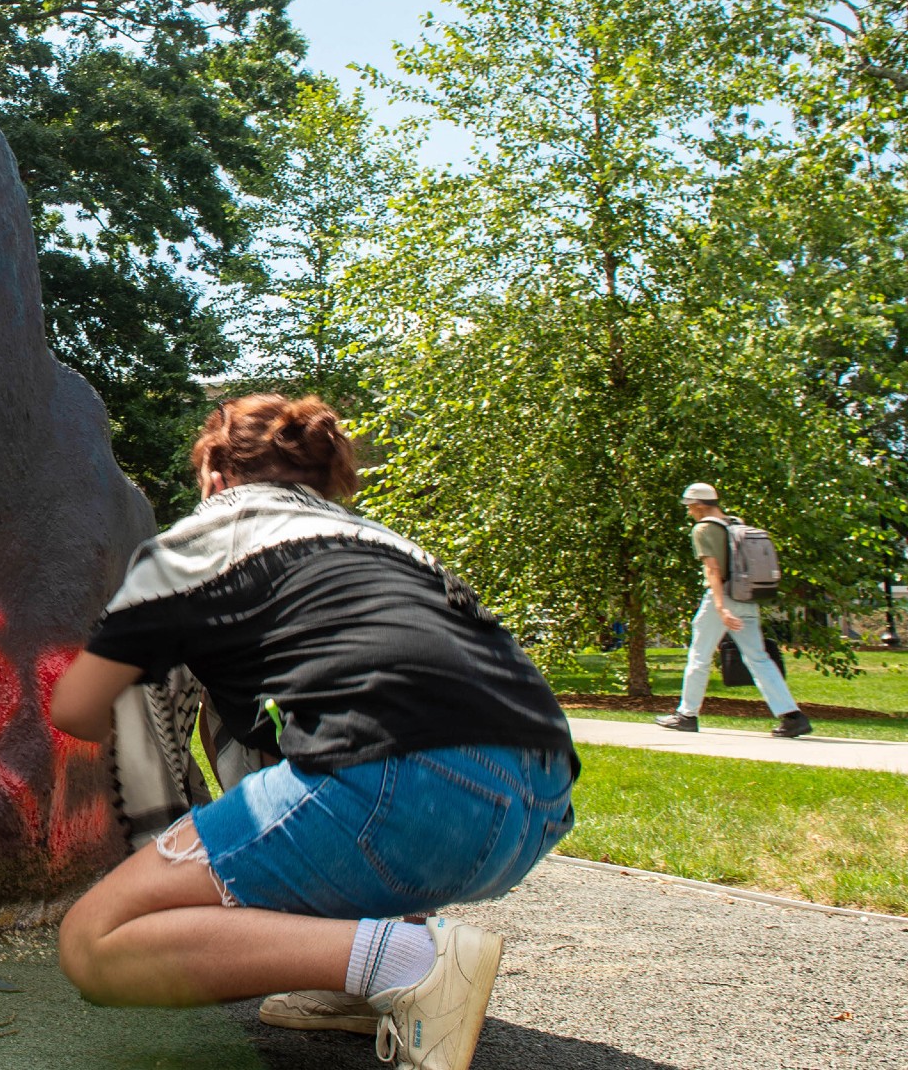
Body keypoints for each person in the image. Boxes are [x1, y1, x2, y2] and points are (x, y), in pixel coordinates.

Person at [50, 394, 577, 1070]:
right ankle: (358, 974)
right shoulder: (384, 543)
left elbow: (77, 707)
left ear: (215, 476)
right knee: (291, 744)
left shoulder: (204, 538)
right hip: (534, 808)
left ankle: (409, 960)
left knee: (96, 941)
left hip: (402, 789)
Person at [654, 483, 810, 738]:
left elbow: (713, 570)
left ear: (700, 505)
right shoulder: (735, 523)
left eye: (691, 507)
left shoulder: (703, 529)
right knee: (758, 658)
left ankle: (686, 715)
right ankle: (792, 716)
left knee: (699, 656)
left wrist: (720, 607)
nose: (689, 512)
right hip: (747, 597)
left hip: (722, 598)